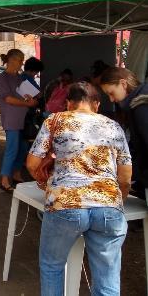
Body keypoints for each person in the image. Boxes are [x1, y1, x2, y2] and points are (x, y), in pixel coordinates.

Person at [26, 82, 132, 296]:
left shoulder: (55, 120)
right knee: (107, 275)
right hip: (108, 206)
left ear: (68, 103)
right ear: (97, 104)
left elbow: (32, 164)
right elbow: (125, 175)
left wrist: (47, 184)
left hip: (65, 203)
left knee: (52, 266)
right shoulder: (113, 126)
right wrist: (118, 199)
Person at [100, 67, 148, 199]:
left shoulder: (141, 106)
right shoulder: (138, 102)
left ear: (123, 83)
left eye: (111, 93)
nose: (111, 99)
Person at [0, 49, 38, 192]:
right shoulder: (3, 78)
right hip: (11, 118)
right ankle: (4, 180)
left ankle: (16, 173)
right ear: (12, 60)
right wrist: (28, 103)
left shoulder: (20, 78)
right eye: (20, 60)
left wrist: (31, 100)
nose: (22, 63)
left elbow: (28, 94)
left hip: (23, 119)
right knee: (12, 149)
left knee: (22, 148)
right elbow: (8, 98)